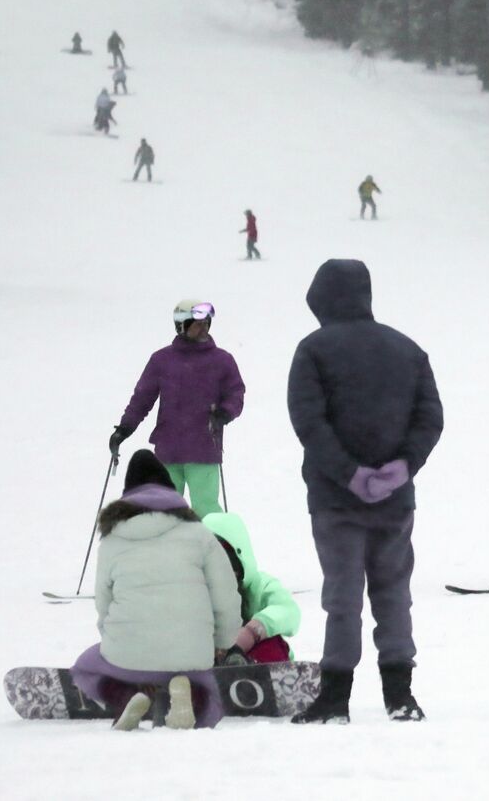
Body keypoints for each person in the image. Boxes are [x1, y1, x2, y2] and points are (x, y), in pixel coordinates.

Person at [286, 259, 444, 723]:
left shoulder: (313, 350)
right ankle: (400, 695)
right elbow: (430, 417)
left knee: (343, 596)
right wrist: (401, 467)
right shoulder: (408, 350)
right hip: (395, 501)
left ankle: (336, 697)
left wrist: (348, 473)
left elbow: (308, 421)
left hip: (336, 499)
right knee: (394, 593)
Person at [70, 449, 242, 731]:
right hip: (191, 649)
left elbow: (104, 602)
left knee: (86, 667)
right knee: (205, 687)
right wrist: (223, 641)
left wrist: (112, 637)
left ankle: (125, 696)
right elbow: (225, 593)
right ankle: (189, 694)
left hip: (127, 650)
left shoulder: (112, 540)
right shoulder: (199, 533)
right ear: (171, 490)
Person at [109, 300, 245, 516]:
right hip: (168, 451)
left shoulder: (222, 361)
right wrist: (124, 429)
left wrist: (224, 413)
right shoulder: (162, 360)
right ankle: (170, 549)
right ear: (181, 326)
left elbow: (236, 394)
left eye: (206, 323)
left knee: (206, 510)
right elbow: (142, 399)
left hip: (204, 450)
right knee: (167, 512)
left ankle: (214, 547)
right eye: (197, 324)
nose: (204, 328)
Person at [203, 512, 300, 664]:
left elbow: (289, 612)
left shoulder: (261, 586)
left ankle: (273, 680)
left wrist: (252, 632)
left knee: (271, 644)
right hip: (205, 666)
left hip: (257, 662)